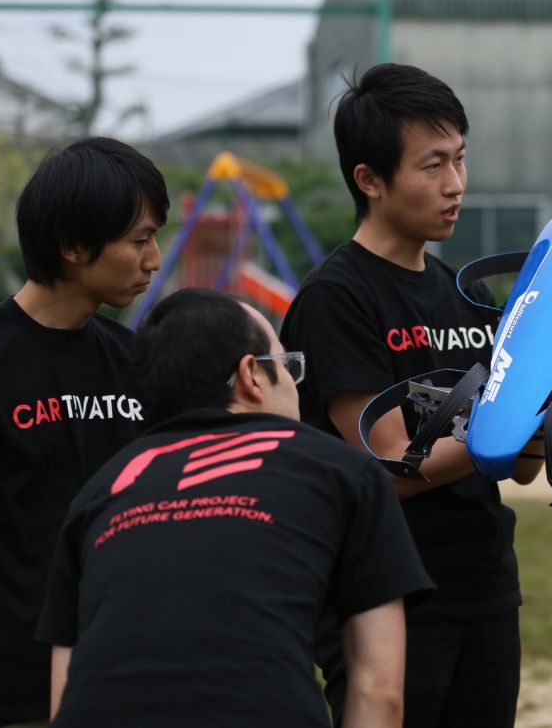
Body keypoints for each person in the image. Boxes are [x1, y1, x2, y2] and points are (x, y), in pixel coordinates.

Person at [280, 62, 543, 728]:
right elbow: (393, 467)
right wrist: (502, 428)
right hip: (386, 595)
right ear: (368, 180)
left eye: (459, 159)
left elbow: (522, 464)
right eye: (431, 166)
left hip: (484, 583)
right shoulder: (335, 299)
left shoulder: (468, 293)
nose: (455, 184)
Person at [35, 289, 432, 727]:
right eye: (287, 367)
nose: (296, 386)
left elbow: (63, 695)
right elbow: (380, 691)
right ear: (251, 375)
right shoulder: (341, 469)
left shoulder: (100, 490)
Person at [0, 137, 168, 728]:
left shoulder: (137, 360)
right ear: (73, 246)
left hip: (131, 672)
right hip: (17, 691)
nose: (154, 258)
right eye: (138, 239)